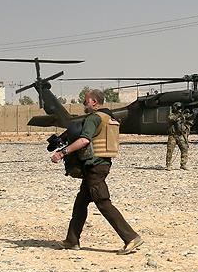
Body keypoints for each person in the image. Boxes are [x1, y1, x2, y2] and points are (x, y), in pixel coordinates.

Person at [51, 89, 144, 254]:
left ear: (94, 101)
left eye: (86, 101)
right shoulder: (109, 117)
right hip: (102, 163)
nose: (84, 104)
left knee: (102, 202)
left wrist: (62, 152)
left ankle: (130, 237)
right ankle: (72, 240)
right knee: (81, 203)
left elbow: (84, 140)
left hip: (95, 166)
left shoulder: (94, 118)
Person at [166, 102, 190, 170]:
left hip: (180, 135)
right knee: (170, 150)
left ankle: (183, 164)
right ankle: (168, 165)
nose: (179, 110)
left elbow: (187, 121)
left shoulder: (182, 116)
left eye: (180, 108)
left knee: (184, 149)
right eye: (178, 108)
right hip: (173, 135)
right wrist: (179, 114)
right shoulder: (171, 115)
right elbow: (172, 119)